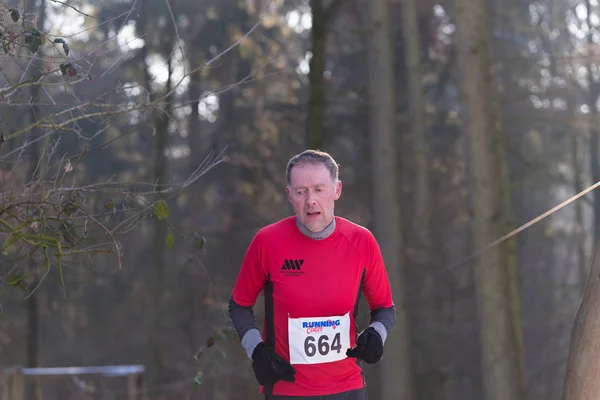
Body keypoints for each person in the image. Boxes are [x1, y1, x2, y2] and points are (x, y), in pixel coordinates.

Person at [228, 150, 396, 399]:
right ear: (289, 195)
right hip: (286, 389)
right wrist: (257, 350)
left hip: (347, 389)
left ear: (337, 190)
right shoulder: (267, 242)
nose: (310, 200)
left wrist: (376, 335)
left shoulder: (362, 241)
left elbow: (384, 308)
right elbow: (239, 306)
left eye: (319, 189)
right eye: (300, 191)